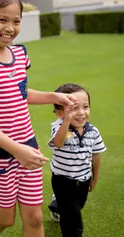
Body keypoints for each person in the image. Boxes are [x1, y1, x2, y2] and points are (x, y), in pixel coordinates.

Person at [0, 0, 78, 237]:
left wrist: (54, 97)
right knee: (7, 218)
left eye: (16, 21)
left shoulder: (20, 54)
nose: (10, 27)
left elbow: (20, 93)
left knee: (34, 219)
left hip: (28, 149)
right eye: (2, 20)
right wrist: (16, 149)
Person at [47, 83, 107, 237]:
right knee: (72, 217)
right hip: (62, 179)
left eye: (85, 107)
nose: (81, 113)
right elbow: (58, 143)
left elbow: (96, 155)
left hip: (83, 179)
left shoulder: (93, 131)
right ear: (60, 113)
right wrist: (67, 121)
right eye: (73, 109)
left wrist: (95, 177)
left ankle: (57, 204)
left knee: (78, 205)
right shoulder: (59, 127)